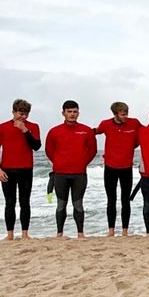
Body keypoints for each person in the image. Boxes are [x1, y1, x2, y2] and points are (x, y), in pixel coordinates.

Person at [45, 100, 97, 239]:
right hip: (60, 173)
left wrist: (82, 163)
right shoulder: (54, 131)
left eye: (75, 112)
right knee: (61, 204)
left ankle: (80, 233)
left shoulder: (86, 130)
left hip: (79, 173)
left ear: (78, 113)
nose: (72, 114)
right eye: (69, 112)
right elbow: (49, 150)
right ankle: (59, 233)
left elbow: (92, 151)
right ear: (63, 113)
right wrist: (59, 163)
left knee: (78, 204)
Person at [0, 99, 42, 240]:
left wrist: (25, 130)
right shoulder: (1, 127)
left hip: (26, 169)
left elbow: (36, 146)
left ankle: (25, 233)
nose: (23, 117)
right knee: (10, 202)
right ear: (13, 112)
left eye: (26, 114)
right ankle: (10, 234)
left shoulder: (33, 126)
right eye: (20, 114)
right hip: (7, 169)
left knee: (25, 202)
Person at [94, 102, 142, 237]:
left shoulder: (134, 123)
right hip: (110, 167)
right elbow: (93, 132)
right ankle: (111, 231)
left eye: (127, 113)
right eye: (123, 114)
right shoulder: (105, 124)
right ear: (115, 114)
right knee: (111, 200)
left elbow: (147, 132)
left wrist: (134, 145)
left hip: (126, 167)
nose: (126, 116)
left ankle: (125, 231)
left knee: (125, 200)